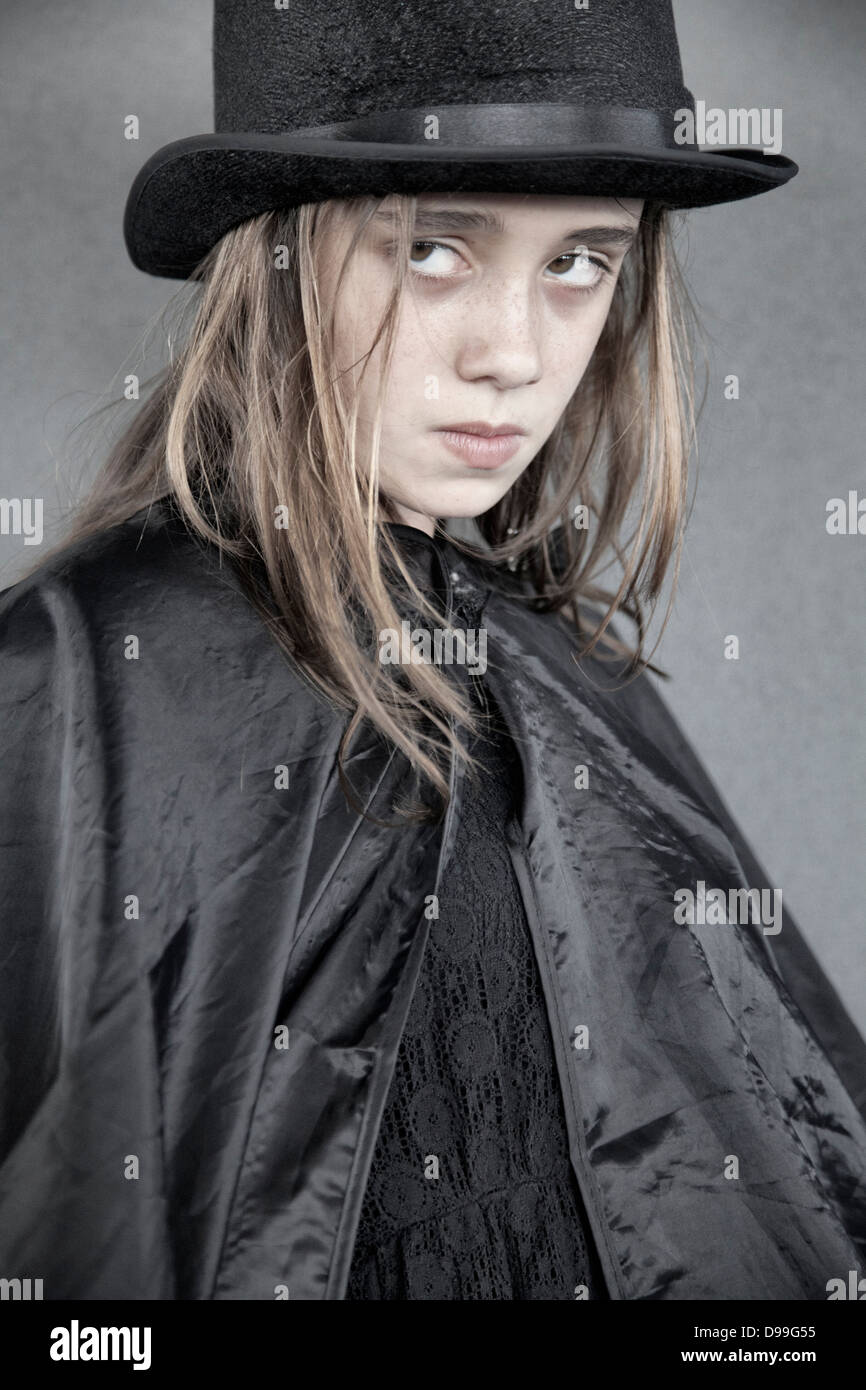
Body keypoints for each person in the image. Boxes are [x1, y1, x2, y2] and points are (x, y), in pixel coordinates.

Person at [1, 0, 864, 1301]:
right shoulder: (89, 669)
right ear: (277, 259)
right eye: (432, 250)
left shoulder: (561, 667)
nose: (511, 356)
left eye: (580, 261)